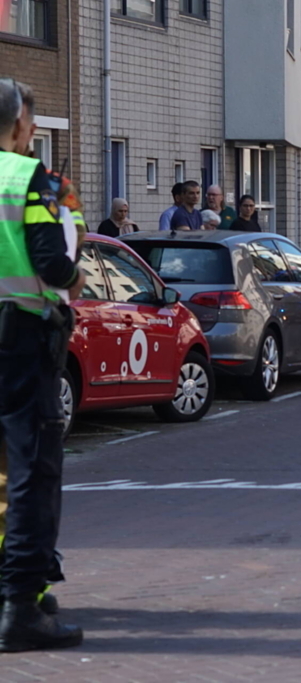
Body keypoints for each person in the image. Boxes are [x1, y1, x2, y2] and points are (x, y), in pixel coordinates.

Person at [0, 77, 84, 651]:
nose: (32, 132)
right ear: (17, 125)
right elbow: (53, 263)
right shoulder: (30, 178)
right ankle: (21, 608)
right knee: (31, 467)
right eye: (31, 124)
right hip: (20, 338)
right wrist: (77, 280)